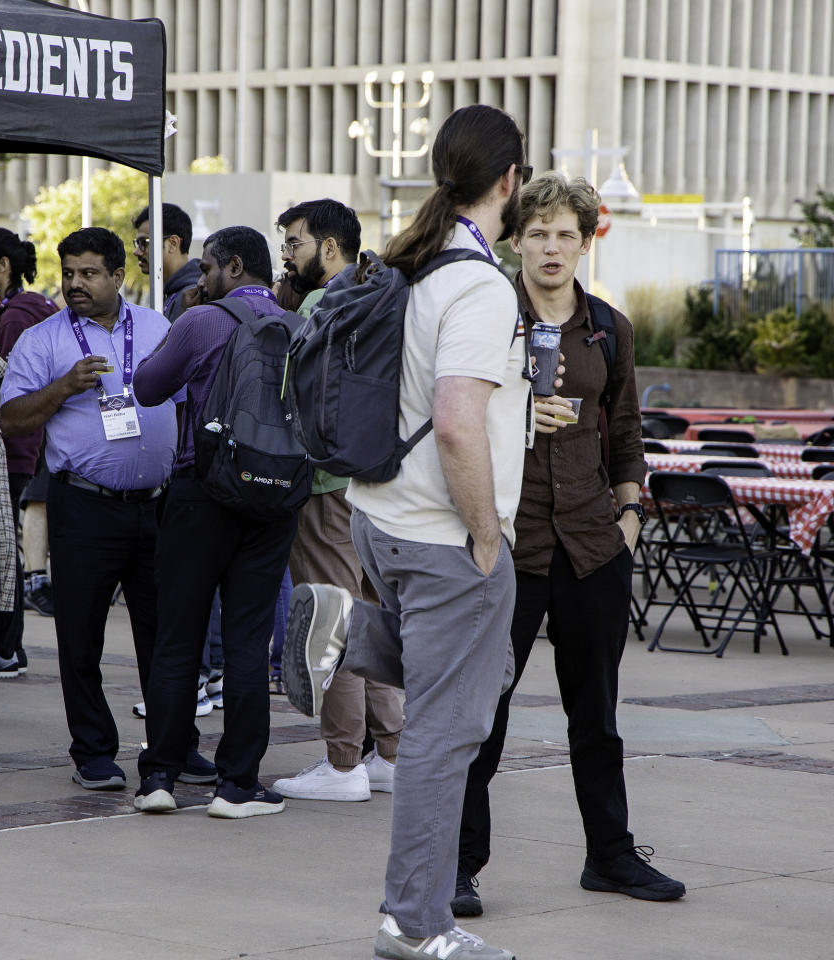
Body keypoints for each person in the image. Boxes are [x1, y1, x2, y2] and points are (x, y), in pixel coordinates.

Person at [284, 105, 531, 960]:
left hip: (381, 519)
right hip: (442, 533)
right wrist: (486, 535)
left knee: (481, 669)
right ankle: (415, 923)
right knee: (442, 730)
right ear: (510, 181)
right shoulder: (475, 284)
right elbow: (460, 423)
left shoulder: (416, 268)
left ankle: (344, 631)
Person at [452, 172, 684, 917]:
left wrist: (629, 518)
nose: (551, 247)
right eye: (538, 232)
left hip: (592, 544)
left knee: (598, 715)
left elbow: (624, 432)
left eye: (565, 234)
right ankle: (457, 865)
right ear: (516, 239)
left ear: (585, 242)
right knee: (482, 717)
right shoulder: (486, 316)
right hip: (505, 546)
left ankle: (610, 857)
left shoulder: (609, 327)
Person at [0, 227, 212, 791]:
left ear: (119, 276)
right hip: (86, 508)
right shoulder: (44, 340)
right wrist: (63, 388)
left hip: (158, 506)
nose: (75, 284)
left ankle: (175, 746)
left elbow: (188, 403)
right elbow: (12, 418)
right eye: (68, 273)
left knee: (166, 635)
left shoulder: (158, 328)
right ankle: (93, 751)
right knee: (81, 634)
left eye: (89, 273)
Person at [131, 226, 297, 819]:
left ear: (232, 265)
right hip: (274, 497)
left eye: (207, 267)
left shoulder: (200, 321)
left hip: (200, 492)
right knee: (250, 644)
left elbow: (147, 387)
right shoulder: (298, 328)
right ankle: (237, 785)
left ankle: (160, 778)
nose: (200, 279)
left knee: (177, 636)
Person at [270, 199, 405, 804]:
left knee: (333, 619)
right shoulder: (378, 292)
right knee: (371, 614)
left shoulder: (320, 305)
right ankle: (392, 753)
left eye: (294, 244)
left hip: (323, 486)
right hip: (373, 484)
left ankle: (343, 760)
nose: (288, 257)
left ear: (329, 248)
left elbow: (289, 394)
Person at [0, 227, 57, 679]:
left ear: (4, 265)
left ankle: (4, 647)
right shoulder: (25, 308)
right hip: (26, 445)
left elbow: (6, 386)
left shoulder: (18, 315)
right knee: (4, 547)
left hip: (12, 445)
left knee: (1, 550)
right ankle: (7, 647)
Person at [132, 203, 200, 322]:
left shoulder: (194, 296)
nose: (136, 252)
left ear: (173, 243)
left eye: (144, 243)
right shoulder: (171, 293)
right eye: (137, 244)